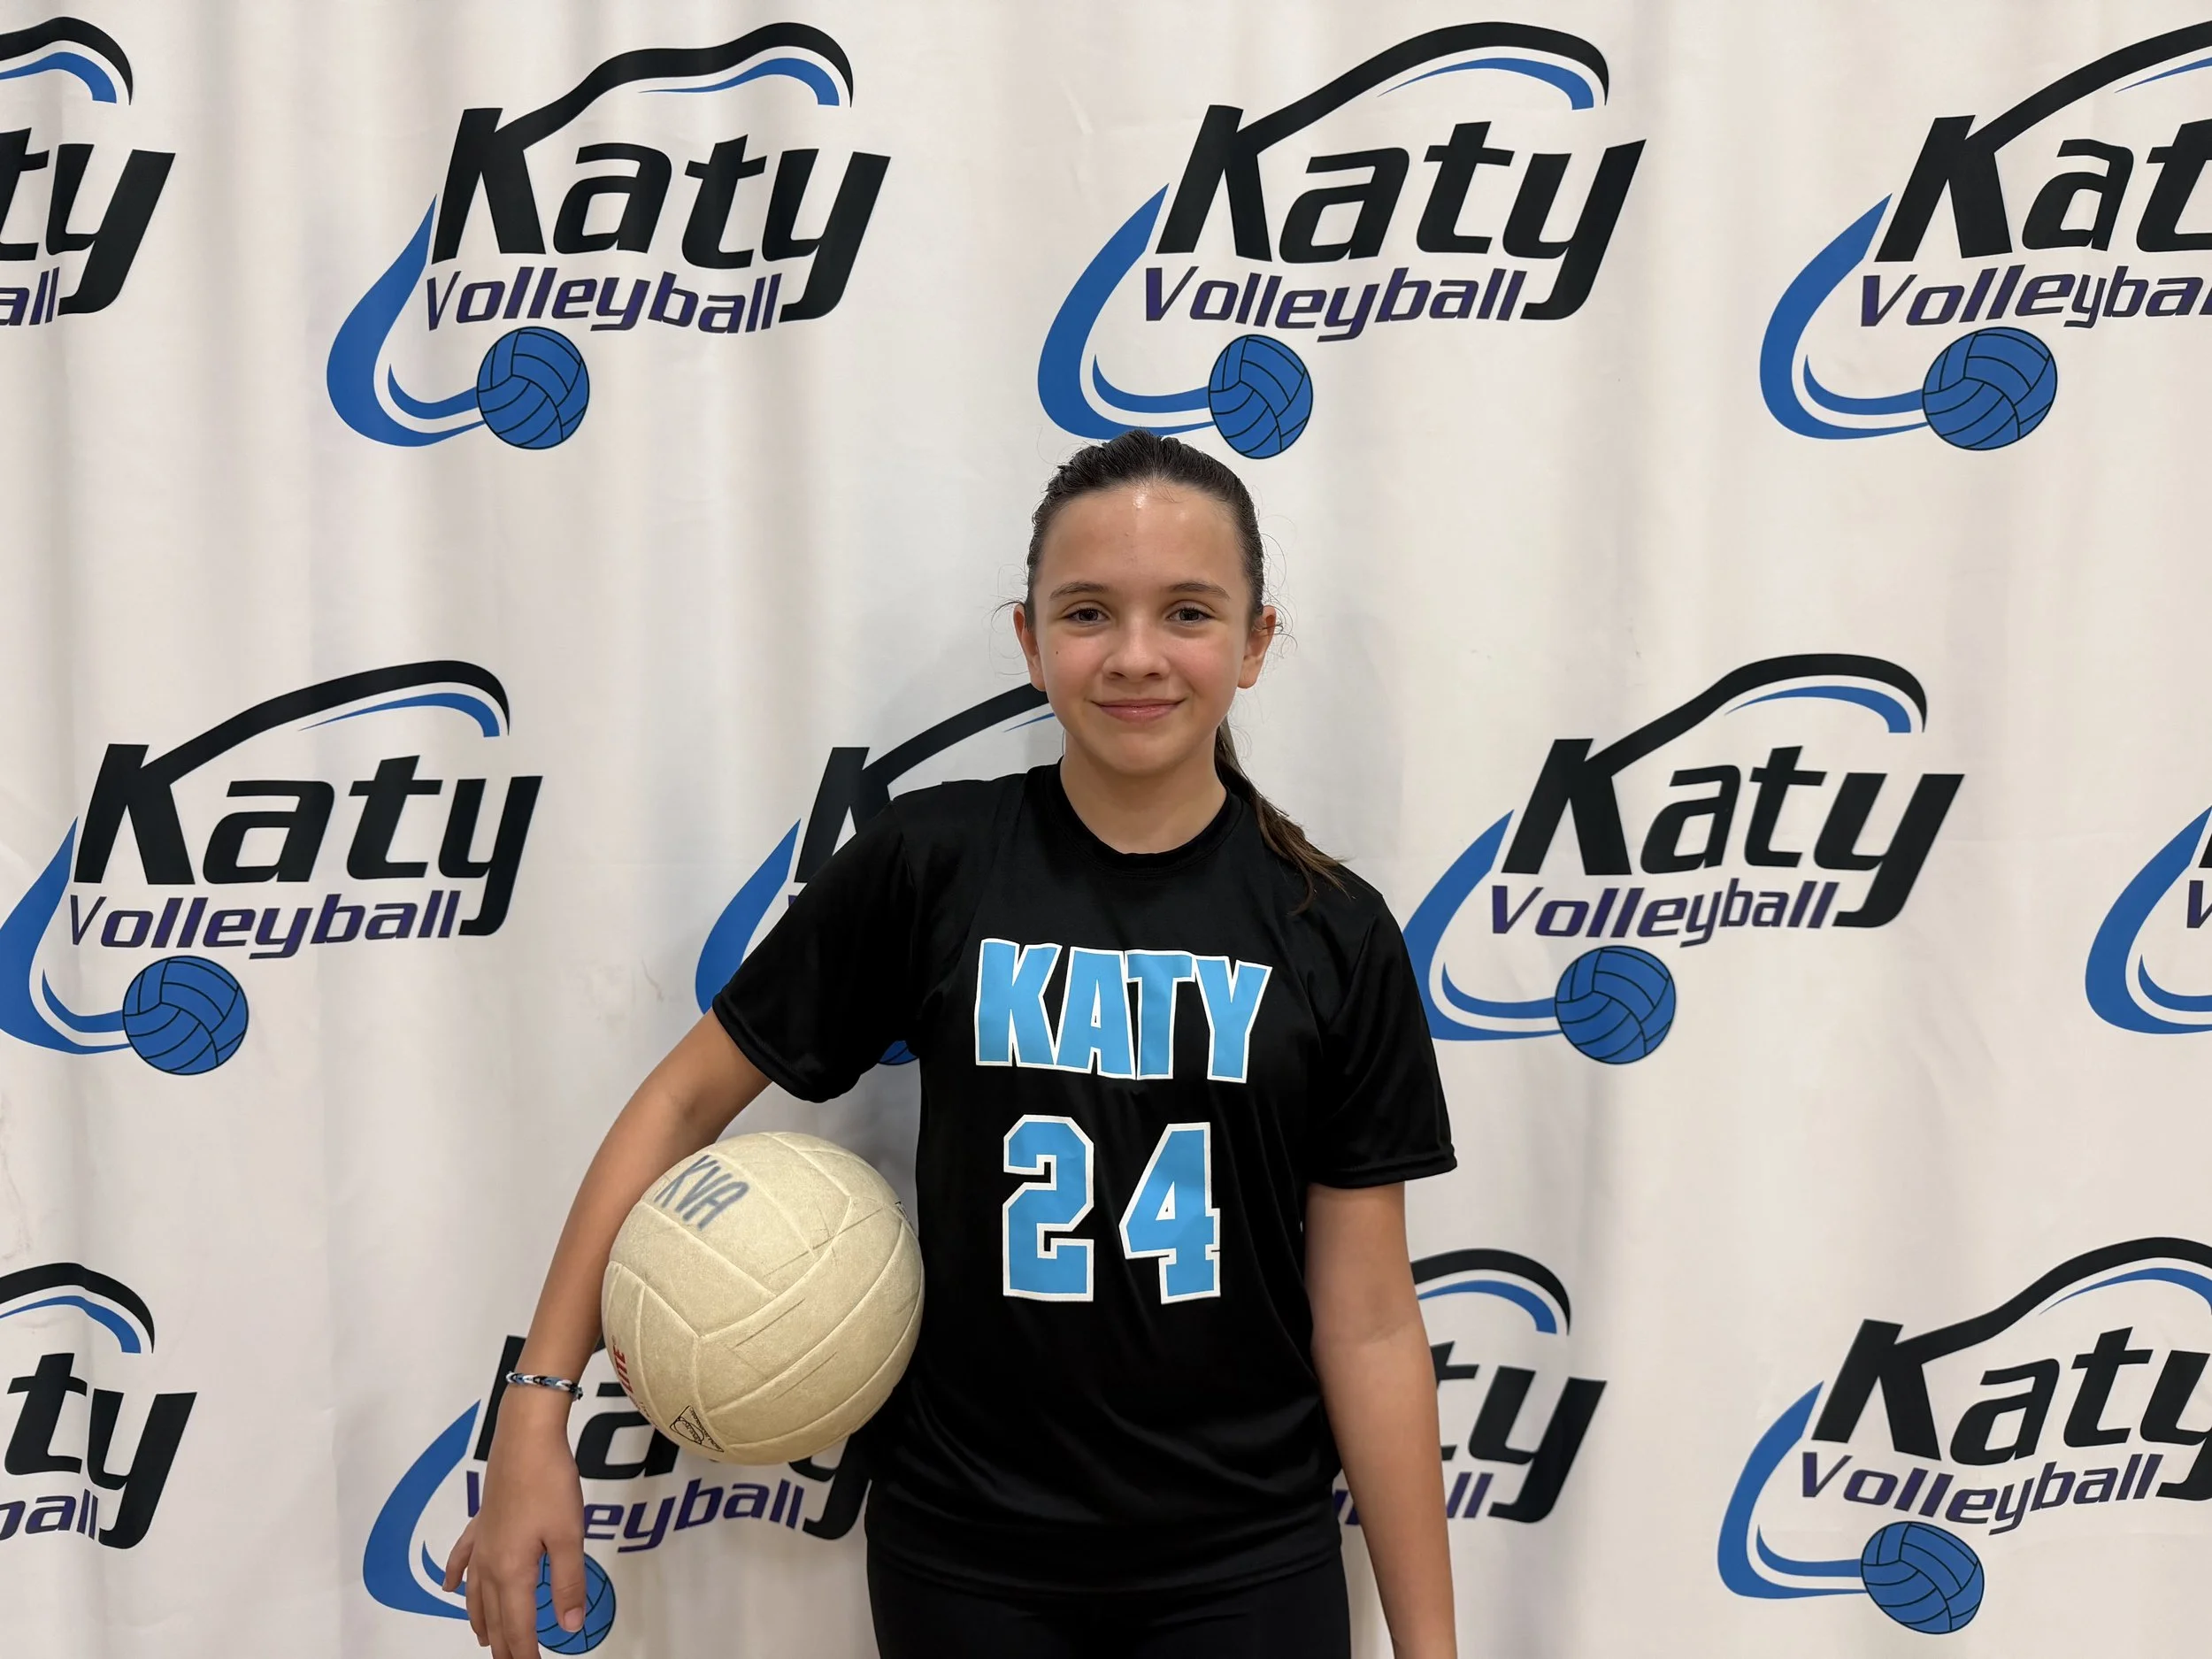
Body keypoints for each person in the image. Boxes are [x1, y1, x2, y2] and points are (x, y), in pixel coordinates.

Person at [445, 430, 1459, 1659]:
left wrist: (1431, 1647)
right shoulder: (931, 864)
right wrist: (536, 1410)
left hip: (1245, 1561)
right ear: (1031, 643)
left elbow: (1368, 1319)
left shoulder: (1334, 931)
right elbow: (680, 1104)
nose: (1136, 654)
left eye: (1188, 612)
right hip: (971, 1558)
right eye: (1087, 612)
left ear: (1254, 643)